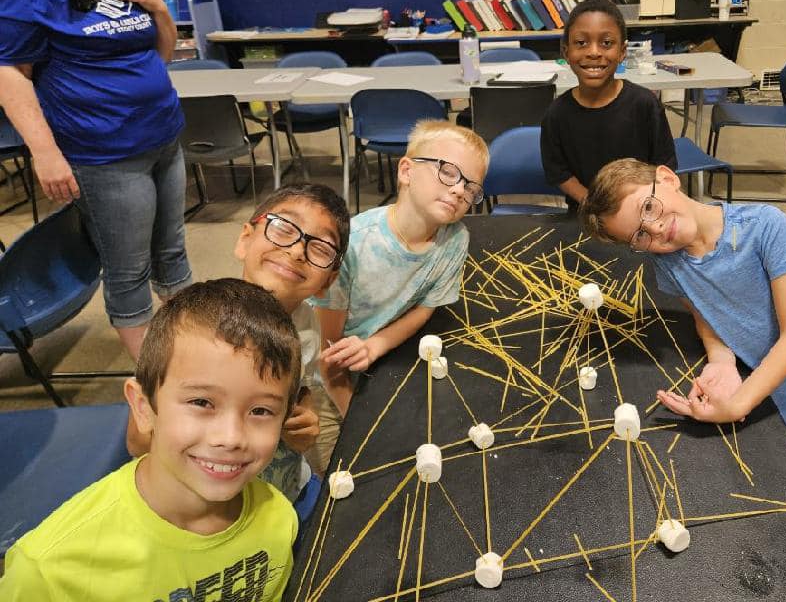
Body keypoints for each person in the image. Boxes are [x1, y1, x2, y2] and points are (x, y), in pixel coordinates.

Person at [579, 159, 786, 547]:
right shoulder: (669, 261)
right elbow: (703, 311)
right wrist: (720, 358)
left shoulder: (767, 227)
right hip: (770, 406)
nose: (655, 229)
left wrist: (737, 403)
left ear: (668, 179)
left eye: (649, 207)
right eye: (639, 235)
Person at [0, 0, 190, 360]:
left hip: (164, 135)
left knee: (173, 253)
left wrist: (155, 4)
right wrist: (45, 153)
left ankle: (193, 354)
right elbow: (11, 72)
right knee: (130, 269)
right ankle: (161, 383)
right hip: (105, 154)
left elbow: (162, 52)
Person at [0, 279, 301, 601]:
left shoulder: (279, 520)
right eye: (201, 402)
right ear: (143, 408)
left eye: (260, 410)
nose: (230, 438)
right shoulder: (47, 571)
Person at [315, 120, 489, 407]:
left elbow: (424, 309)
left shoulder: (455, 239)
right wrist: (354, 426)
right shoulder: (352, 245)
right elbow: (327, 356)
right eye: (447, 172)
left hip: (379, 359)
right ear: (407, 171)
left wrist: (374, 346)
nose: (460, 190)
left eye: (471, 187)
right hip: (326, 380)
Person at [234, 183, 350, 492]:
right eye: (284, 228)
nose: (297, 250)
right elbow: (141, 442)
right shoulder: (192, 330)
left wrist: (307, 415)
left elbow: (303, 387)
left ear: (328, 282)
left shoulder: (307, 324)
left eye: (321, 248)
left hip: (287, 488)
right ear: (245, 239)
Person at [540, 0, 676, 211]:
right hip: (586, 214)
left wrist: (638, 205)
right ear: (566, 52)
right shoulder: (556, 115)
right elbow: (559, 172)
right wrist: (593, 204)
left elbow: (663, 166)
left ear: (622, 52)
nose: (594, 52)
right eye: (581, 43)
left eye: (606, 43)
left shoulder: (645, 104)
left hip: (641, 212)